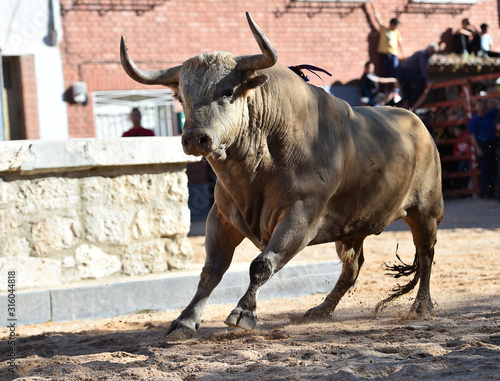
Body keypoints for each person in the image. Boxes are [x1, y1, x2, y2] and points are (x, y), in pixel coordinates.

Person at [468, 99, 497, 199]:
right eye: (478, 104)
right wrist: (477, 148)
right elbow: (472, 136)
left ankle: (491, 192)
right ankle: (484, 192)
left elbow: (497, 108)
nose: (481, 106)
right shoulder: (474, 120)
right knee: (485, 170)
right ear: (475, 107)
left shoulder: (488, 115)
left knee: (493, 168)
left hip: (491, 144)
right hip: (482, 145)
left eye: (482, 104)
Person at [396, 42, 439, 109]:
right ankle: (412, 102)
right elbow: (423, 68)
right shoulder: (423, 54)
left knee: (407, 93)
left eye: (434, 51)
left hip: (404, 74)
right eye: (432, 50)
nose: (432, 52)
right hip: (405, 73)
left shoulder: (424, 55)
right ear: (429, 48)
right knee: (421, 81)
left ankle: (409, 105)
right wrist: (426, 81)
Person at [369, 3, 404, 78]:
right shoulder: (384, 29)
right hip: (385, 55)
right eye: (395, 25)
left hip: (394, 55)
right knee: (385, 73)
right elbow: (377, 18)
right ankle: (387, 89)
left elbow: (399, 43)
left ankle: (394, 89)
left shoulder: (397, 32)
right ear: (392, 24)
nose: (396, 27)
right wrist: (373, 7)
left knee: (394, 72)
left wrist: (403, 54)